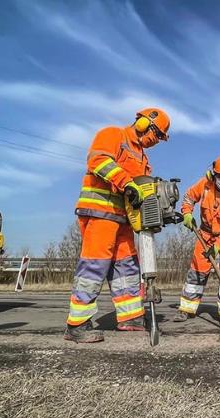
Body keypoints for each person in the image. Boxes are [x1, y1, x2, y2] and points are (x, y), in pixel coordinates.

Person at [64, 108, 170, 343]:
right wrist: (126, 182)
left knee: (127, 267)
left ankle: (130, 317)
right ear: (143, 123)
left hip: (123, 218)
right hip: (100, 211)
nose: (155, 139)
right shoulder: (114, 135)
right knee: (94, 266)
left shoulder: (144, 159)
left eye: (159, 137)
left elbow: (142, 191)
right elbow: (98, 160)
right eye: (155, 132)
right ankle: (77, 324)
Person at [175, 155, 220, 328]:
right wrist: (186, 213)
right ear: (213, 175)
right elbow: (189, 197)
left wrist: (217, 246)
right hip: (205, 235)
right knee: (197, 271)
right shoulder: (204, 186)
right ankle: (187, 308)